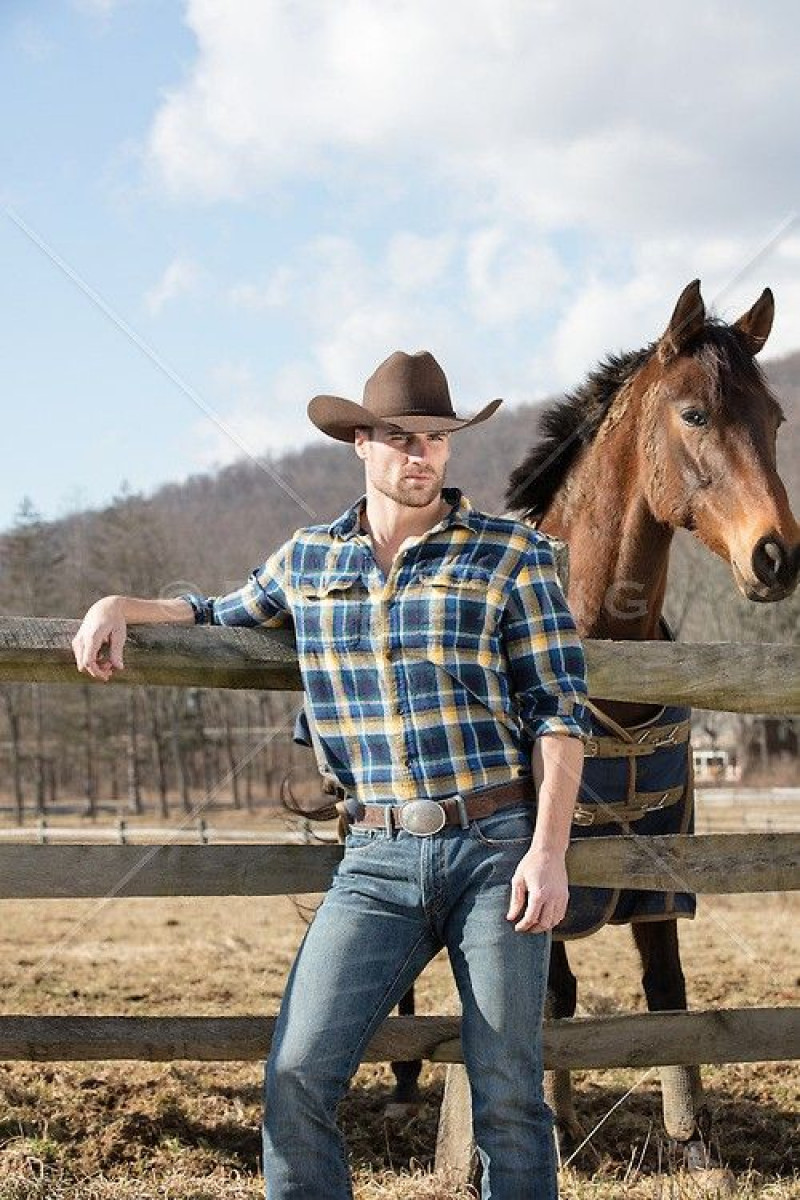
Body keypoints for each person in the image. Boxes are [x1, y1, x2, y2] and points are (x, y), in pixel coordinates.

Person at [72, 349, 589, 1199]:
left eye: (434, 438)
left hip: (496, 849)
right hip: (375, 860)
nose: (418, 455)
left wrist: (548, 850)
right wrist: (116, 607)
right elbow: (211, 613)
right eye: (398, 437)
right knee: (298, 1077)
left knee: (509, 1098)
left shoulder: (513, 556)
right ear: (361, 442)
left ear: (451, 448)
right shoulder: (310, 561)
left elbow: (560, 714)